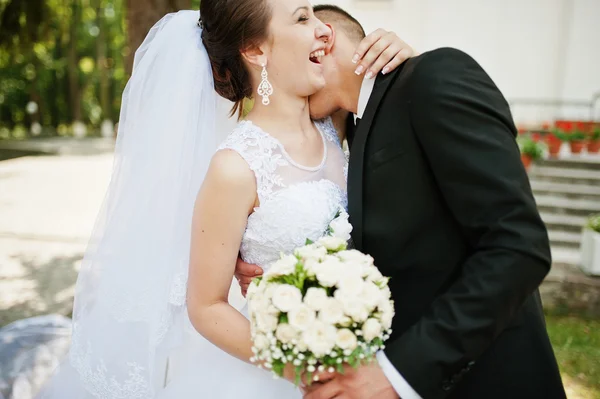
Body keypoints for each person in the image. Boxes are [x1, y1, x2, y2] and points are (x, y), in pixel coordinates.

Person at [37, 2, 414, 398]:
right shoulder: (235, 166)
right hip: (287, 372)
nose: (324, 30)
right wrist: (306, 367)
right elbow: (206, 308)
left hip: (377, 355)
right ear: (255, 50)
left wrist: (403, 61)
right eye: (303, 19)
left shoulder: (334, 120)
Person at [236, 4, 567, 399]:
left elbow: (518, 245)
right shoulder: (352, 135)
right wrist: (282, 273)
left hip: (492, 380)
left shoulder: (432, 78)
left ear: (323, 44)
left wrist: (396, 374)